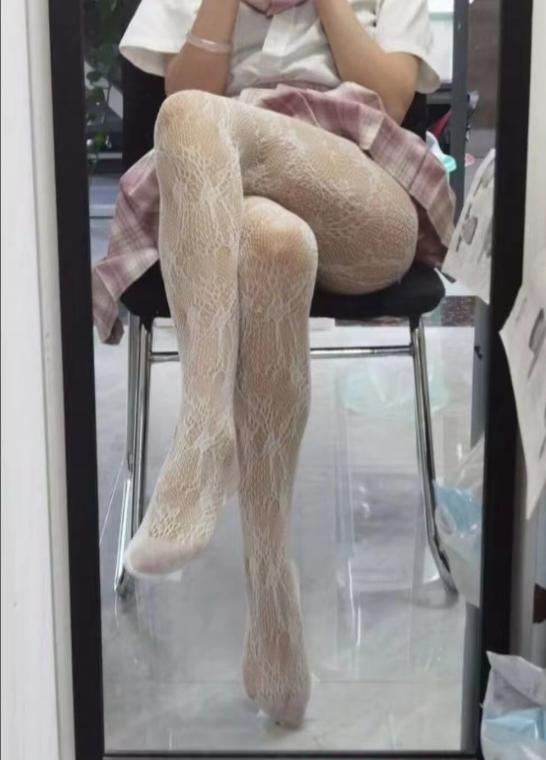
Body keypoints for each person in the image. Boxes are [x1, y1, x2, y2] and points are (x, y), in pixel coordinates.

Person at [93, 0, 455, 728]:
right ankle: (272, 603)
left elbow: (392, 97)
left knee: (193, 118)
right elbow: (178, 91)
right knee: (271, 240)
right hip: (229, 197)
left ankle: (205, 434)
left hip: (361, 185)